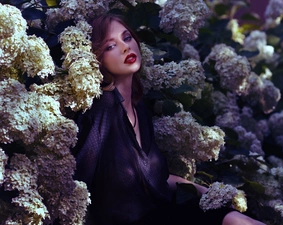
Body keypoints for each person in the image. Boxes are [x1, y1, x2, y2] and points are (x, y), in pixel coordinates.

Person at [72, 13, 266, 225]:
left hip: (165, 212)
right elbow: (76, 188)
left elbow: (158, 179)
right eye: (110, 46)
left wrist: (209, 192)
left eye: (127, 37)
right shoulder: (101, 111)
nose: (125, 47)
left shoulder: (140, 109)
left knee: (241, 220)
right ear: (97, 58)